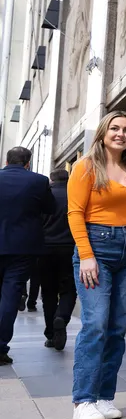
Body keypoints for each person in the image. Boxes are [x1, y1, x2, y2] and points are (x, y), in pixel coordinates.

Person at [68, 111, 126, 419]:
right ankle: (83, 401)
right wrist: (86, 255)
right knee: (96, 324)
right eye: (114, 128)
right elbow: (75, 214)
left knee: (117, 327)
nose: (121, 134)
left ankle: (104, 397)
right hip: (96, 248)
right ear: (102, 133)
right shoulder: (85, 167)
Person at [0, 146, 56, 366]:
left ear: (6, 161)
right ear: (28, 163)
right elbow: (50, 208)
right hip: (22, 248)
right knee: (11, 296)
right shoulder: (39, 181)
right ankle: (1, 347)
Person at [40, 168, 77, 351]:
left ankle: (50, 334)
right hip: (70, 248)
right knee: (69, 288)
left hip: (45, 249)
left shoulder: (44, 196)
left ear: (51, 179)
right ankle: (62, 317)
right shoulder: (75, 195)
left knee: (48, 293)